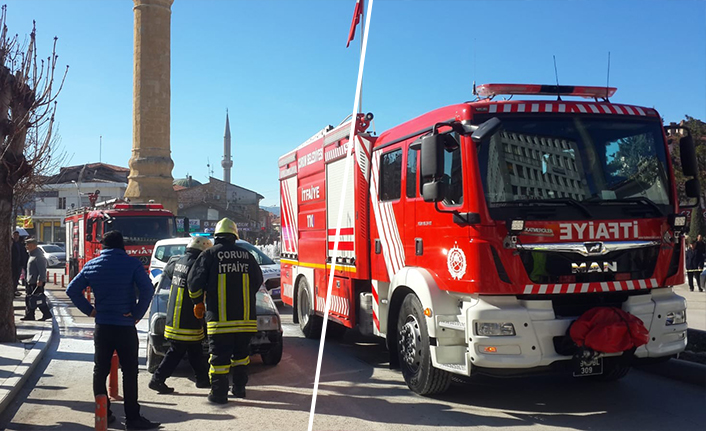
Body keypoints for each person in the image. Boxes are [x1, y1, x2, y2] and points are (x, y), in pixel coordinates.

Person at [66, 231, 160, 430]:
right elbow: (148, 289)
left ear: (103, 246)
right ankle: (133, 418)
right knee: (129, 372)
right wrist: (136, 313)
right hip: (125, 327)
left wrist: (90, 311)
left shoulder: (92, 265)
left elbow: (72, 290)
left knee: (100, 370)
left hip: (103, 326)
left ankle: (105, 412)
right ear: (122, 245)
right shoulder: (132, 264)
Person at [188, 218, 263, 404]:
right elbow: (257, 281)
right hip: (246, 320)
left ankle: (219, 394)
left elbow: (194, 283)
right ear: (235, 237)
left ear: (216, 237)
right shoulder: (247, 256)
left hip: (219, 321)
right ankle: (239, 389)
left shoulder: (209, 255)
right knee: (241, 357)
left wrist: (198, 302)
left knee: (219, 359)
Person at [149, 236, 212, 394]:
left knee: (194, 348)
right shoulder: (198, 264)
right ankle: (157, 380)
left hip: (174, 315)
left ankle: (202, 379)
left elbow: (170, 274)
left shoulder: (177, 261)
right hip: (187, 316)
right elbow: (198, 286)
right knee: (177, 351)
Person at [21, 238, 51, 321]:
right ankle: (29, 315)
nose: (26, 246)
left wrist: (40, 280)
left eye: (28, 245)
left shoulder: (38, 256)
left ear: (33, 245)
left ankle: (46, 313)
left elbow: (42, 270)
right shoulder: (31, 254)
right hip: (30, 281)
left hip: (36, 282)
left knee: (38, 299)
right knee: (29, 299)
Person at [11, 231, 28, 297]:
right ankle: (13, 291)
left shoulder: (20, 243)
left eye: (17, 235)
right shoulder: (11, 243)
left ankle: (14, 290)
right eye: (14, 235)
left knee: (17, 278)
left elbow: (23, 253)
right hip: (13, 263)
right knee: (13, 278)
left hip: (20, 263)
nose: (16, 237)